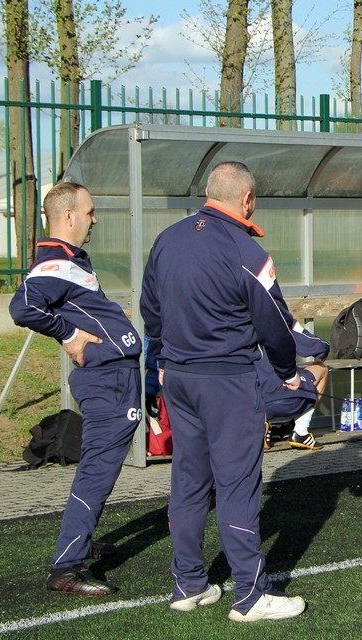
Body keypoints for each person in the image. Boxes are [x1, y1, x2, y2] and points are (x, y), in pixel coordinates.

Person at [141, 161, 306, 621]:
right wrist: (288, 372)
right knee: (237, 484)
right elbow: (275, 324)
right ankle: (250, 595)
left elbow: (151, 309)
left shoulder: (167, 239)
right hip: (228, 381)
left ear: (209, 192)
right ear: (247, 199)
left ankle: (188, 583)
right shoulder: (246, 250)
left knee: (189, 480)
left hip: (179, 378)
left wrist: (162, 360)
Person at [9, 181, 142, 596]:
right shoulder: (55, 262)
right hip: (107, 379)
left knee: (99, 468)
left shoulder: (71, 259)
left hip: (115, 376)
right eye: (89, 212)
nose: (94, 220)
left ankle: (79, 541)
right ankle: (66, 567)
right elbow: (23, 307)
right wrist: (69, 335)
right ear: (68, 215)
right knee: (97, 470)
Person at [260, 321, 330, 451]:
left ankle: (258, 426)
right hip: (288, 397)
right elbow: (317, 347)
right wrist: (324, 349)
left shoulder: (235, 326)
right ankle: (300, 432)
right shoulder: (275, 318)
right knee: (322, 368)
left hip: (255, 405)